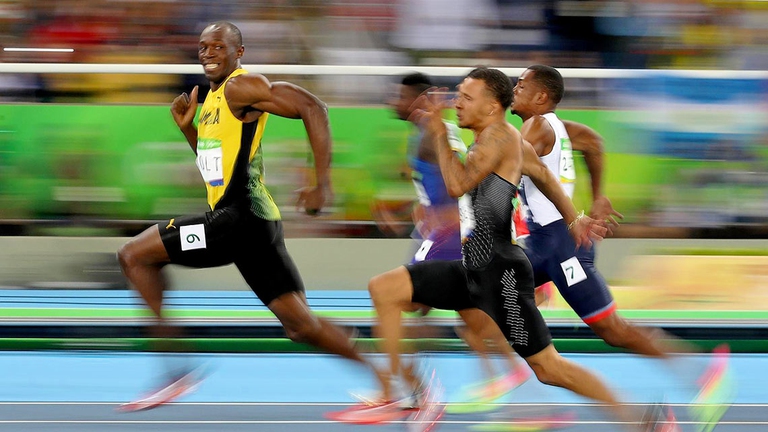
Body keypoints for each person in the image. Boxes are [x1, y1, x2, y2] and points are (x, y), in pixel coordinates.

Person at [353, 67, 675, 431]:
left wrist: (440, 132)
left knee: (549, 369)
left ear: (492, 106)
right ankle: (403, 392)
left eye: (466, 98)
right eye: (458, 95)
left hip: (499, 275)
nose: (456, 103)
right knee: (385, 288)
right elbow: (544, 176)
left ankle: (643, 420)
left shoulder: (500, 140)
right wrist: (574, 218)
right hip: (473, 266)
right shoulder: (509, 141)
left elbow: (457, 184)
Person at [116, 21, 388, 411]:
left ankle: (174, 370)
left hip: (236, 220)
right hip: (252, 226)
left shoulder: (241, 87)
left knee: (133, 255)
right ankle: (391, 384)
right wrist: (189, 131)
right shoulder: (209, 102)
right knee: (301, 326)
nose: (208, 53)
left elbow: (314, 107)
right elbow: (217, 170)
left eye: (218, 47)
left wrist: (321, 183)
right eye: (203, 47)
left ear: (238, 52)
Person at [511, 64, 730, 426]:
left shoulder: (535, 126)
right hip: (547, 244)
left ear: (541, 97)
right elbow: (595, 143)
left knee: (613, 330)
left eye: (521, 85)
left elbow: (508, 167)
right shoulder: (561, 128)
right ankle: (533, 401)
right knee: (488, 301)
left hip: (559, 246)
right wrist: (599, 196)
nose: (514, 89)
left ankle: (703, 375)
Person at [381, 73, 531, 405]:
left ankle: (407, 386)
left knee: (405, 300)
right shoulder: (427, 134)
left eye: (401, 96)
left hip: (448, 234)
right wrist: (411, 209)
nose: (394, 101)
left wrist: (446, 219)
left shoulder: (432, 136)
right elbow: (437, 186)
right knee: (464, 313)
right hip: (441, 232)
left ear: (418, 101)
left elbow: (460, 184)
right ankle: (505, 371)